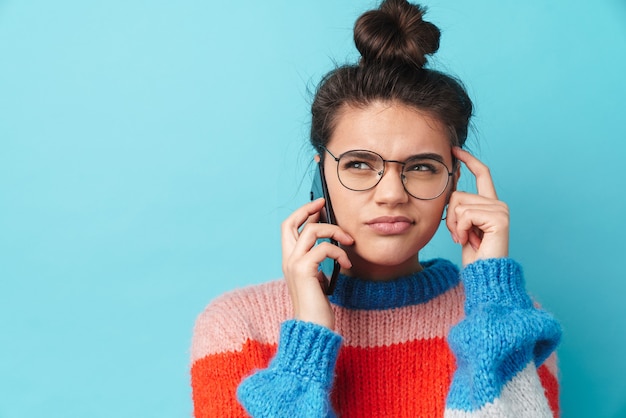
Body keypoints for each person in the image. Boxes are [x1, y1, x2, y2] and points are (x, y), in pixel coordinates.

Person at [190, 0, 561, 416]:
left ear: (455, 182)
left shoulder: (510, 319)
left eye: (421, 167)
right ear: (322, 177)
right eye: (359, 165)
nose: (390, 194)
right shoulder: (237, 326)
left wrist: (492, 301)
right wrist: (306, 343)